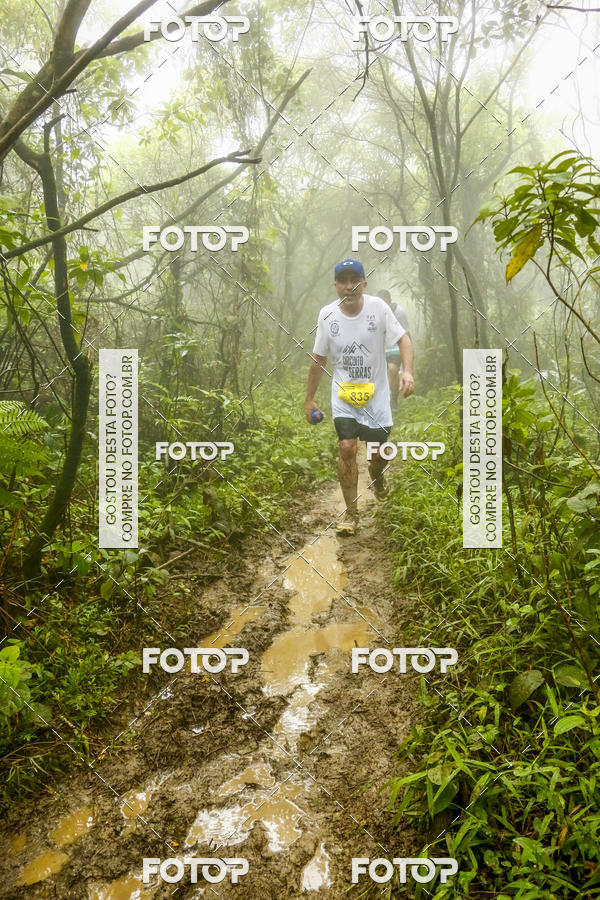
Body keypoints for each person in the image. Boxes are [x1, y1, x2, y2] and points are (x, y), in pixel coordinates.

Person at [305, 259, 415, 535]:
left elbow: (403, 339)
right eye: (343, 281)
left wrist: (407, 371)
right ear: (335, 285)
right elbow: (319, 359)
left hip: (376, 397)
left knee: (377, 453)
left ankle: (377, 477)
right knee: (347, 448)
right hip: (344, 396)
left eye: (355, 280)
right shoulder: (327, 315)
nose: (349, 286)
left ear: (364, 284)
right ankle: (351, 514)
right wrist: (309, 399)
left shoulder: (379, 308)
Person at [377, 289, 411, 410]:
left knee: (392, 369)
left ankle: (394, 400)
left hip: (395, 346)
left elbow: (406, 335)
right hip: (379, 346)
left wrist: (408, 358)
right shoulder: (373, 311)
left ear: (390, 301)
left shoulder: (399, 312)